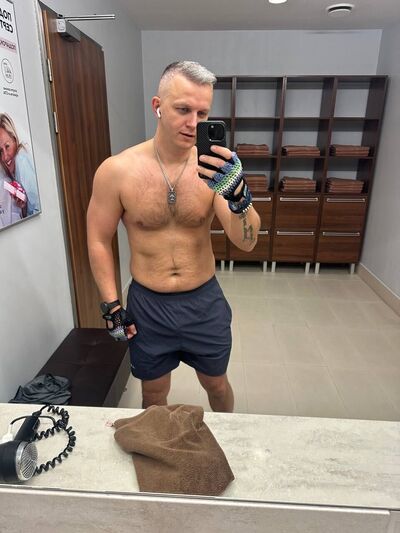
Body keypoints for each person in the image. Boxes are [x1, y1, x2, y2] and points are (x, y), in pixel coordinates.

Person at [87, 61, 261, 412]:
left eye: (202, 113)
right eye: (183, 109)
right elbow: (98, 239)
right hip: (148, 305)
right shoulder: (117, 171)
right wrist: (112, 305)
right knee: (153, 394)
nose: (193, 123)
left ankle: (227, 436)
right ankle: (158, 442)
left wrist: (239, 197)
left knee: (217, 385)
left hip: (203, 300)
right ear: (158, 106)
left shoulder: (214, 171)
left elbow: (247, 242)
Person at [0, 113, 40, 217]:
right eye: (0, 151)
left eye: (7, 146)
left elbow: (38, 208)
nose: (5, 156)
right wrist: (23, 205)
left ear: (14, 139)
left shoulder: (21, 160)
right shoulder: (11, 170)